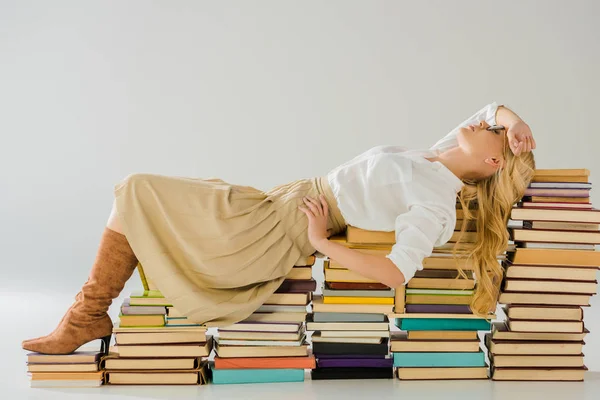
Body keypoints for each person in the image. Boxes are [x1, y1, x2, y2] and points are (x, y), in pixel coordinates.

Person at [22, 102, 536, 355]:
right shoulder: (436, 157)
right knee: (137, 194)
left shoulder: (435, 199)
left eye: (491, 132)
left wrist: (319, 243)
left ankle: (85, 316)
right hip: (272, 203)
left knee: (137, 189)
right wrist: (512, 122)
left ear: (492, 161)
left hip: (276, 230)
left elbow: (396, 272)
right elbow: (490, 107)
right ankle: (88, 316)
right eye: (491, 126)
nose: (483, 123)